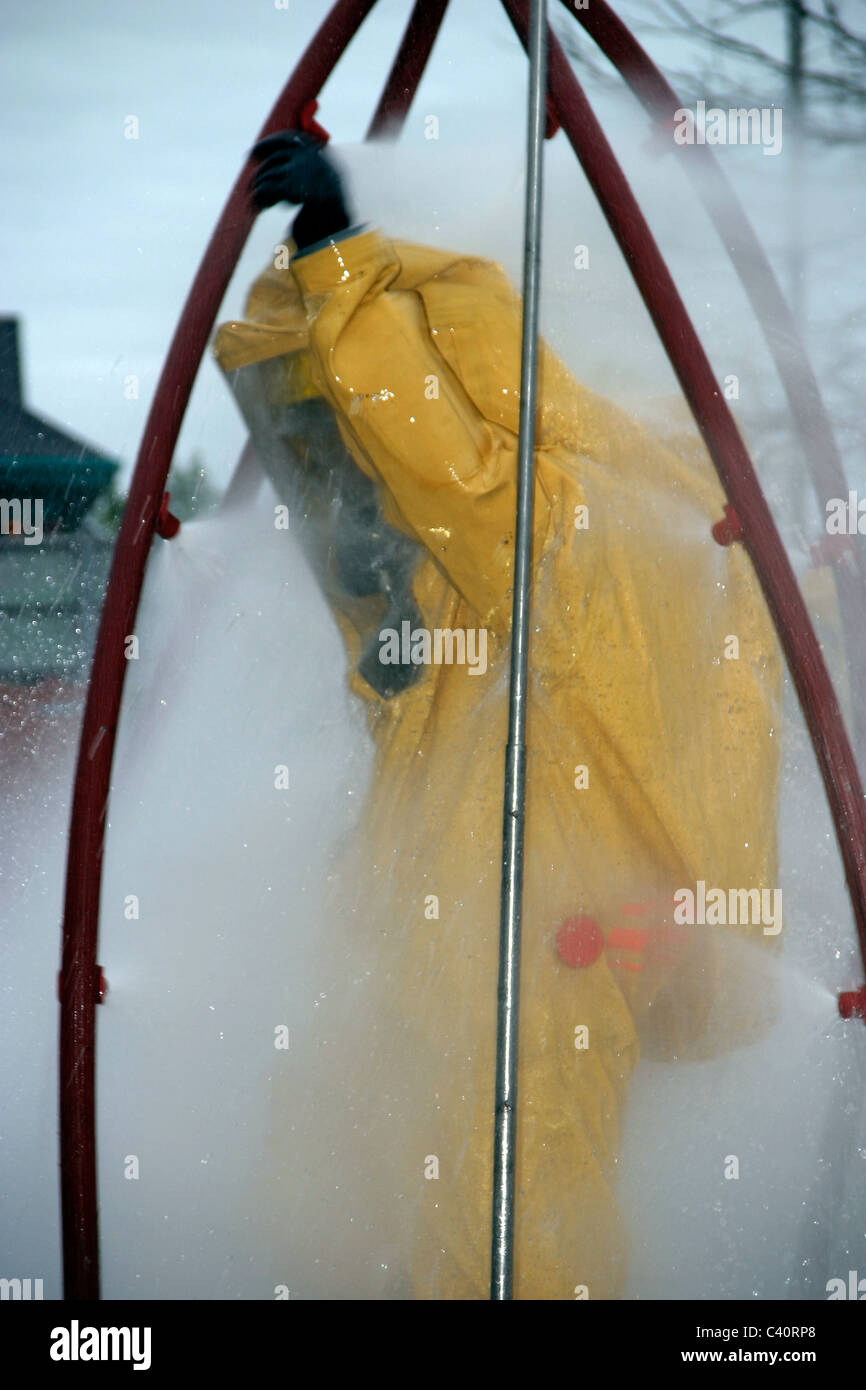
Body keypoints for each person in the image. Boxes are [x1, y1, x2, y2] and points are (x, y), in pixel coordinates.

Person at [213, 131, 782, 1299]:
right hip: (502, 927)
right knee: (424, 1184)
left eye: (340, 438)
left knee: (508, 1206)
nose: (343, 490)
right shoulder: (653, 533)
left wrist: (333, 262)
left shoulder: (566, 521)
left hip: (527, 940)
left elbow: (446, 468)